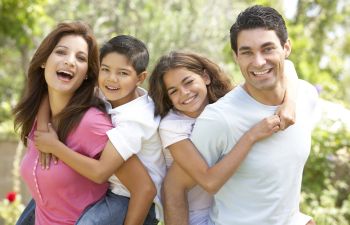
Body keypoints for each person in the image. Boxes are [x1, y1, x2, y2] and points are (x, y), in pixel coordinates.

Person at [163, 5, 319, 225]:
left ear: (286, 48)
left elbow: (278, 179)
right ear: (236, 57)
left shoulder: (305, 96)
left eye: (267, 49)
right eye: (247, 52)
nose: (258, 61)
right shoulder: (219, 119)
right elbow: (174, 186)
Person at [148, 50, 298, 225]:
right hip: (194, 215)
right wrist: (251, 136)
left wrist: (290, 103)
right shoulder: (172, 126)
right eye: (173, 91)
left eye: (188, 82)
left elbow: (287, 66)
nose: (184, 93)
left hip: (230, 206)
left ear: (205, 77)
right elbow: (209, 181)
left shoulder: (224, 107)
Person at [33, 35, 166, 225]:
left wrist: (54, 146)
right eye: (106, 70)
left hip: (131, 200)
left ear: (141, 78)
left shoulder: (136, 120)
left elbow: (100, 172)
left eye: (123, 73)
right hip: (113, 191)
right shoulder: (114, 95)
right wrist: (43, 125)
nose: (112, 79)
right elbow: (50, 91)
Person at [13, 21, 112, 225]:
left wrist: (56, 148)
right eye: (61, 52)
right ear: (43, 61)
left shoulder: (92, 123)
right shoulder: (38, 118)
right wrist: (42, 121)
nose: (70, 62)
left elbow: (139, 187)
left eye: (81, 58)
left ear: (86, 74)